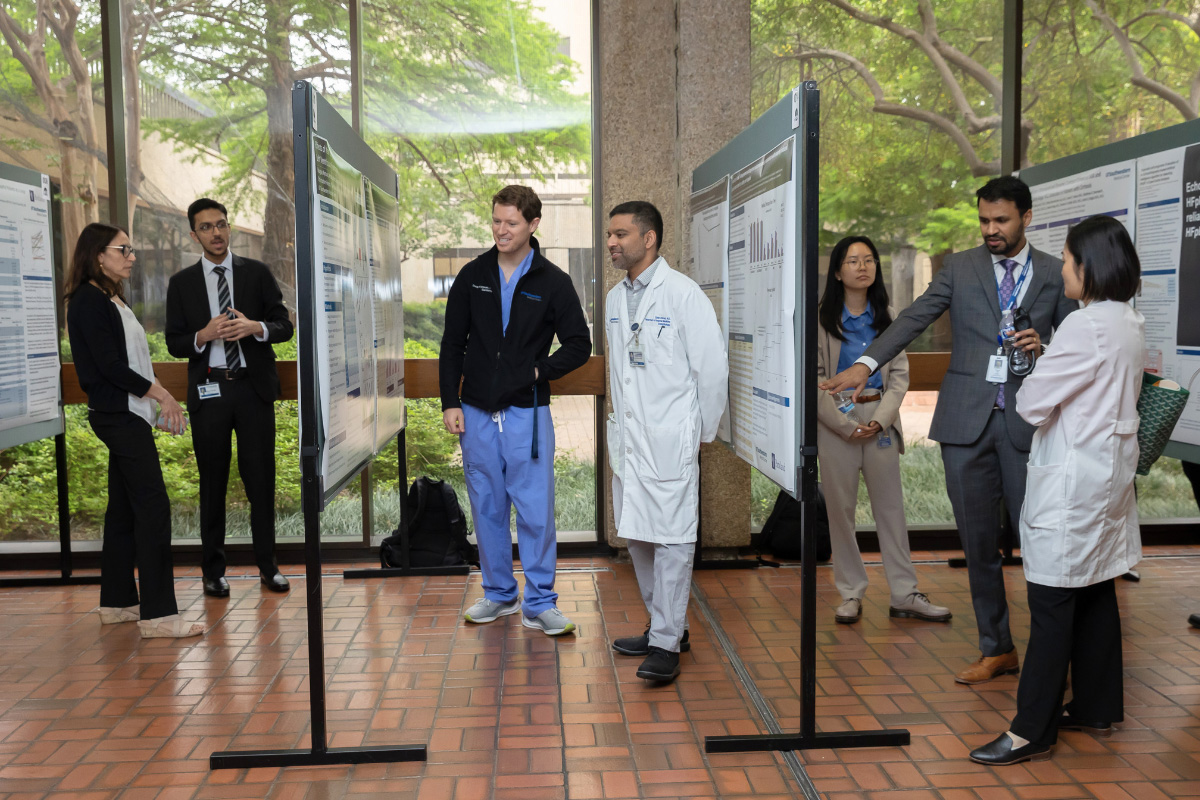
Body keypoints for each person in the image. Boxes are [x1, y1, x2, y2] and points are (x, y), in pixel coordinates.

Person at [822, 176, 1077, 685]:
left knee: (1045, 542)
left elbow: (1075, 342)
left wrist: (1045, 351)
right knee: (978, 543)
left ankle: (1056, 655)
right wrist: (867, 364)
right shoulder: (961, 267)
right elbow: (914, 317)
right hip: (966, 424)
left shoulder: (1055, 272)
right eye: (983, 220)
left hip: (1030, 424)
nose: (991, 230)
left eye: (1001, 220)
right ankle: (996, 648)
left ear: (1026, 217)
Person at [970, 214, 1143, 765]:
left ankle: (1030, 731)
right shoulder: (1127, 320)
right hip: (1107, 478)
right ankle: (1095, 705)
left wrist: (1043, 365)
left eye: (1067, 260)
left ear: (1088, 267)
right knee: (1095, 591)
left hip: (1073, 481)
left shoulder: (1083, 325)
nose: (1063, 268)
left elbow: (1031, 404)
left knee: (1049, 602)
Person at [440, 185, 591, 636]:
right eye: (496, 220)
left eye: (511, 223)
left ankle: (540, 602)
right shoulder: (473, 275)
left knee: (535, 510)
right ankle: (500, 594)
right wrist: (450, 400)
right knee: (486, 505)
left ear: (533, 225)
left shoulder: (552, 281)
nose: (501, 230)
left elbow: (579, 345)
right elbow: (452, 344)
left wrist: (537, 372)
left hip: (527, 413)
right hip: (477, 413)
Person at [604, 201, 728, 683]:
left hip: (672, 436)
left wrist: (701, 432)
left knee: (674, 538)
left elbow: (711, 371)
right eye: (609, 236)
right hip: (631, 441)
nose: (612, 243)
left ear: (649, 238)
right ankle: (665, 626)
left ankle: (667, 643)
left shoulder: (683, 294)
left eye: (620, 235)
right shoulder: (617, 299)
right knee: (637, 532)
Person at [65, 223, 205, 639]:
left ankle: (118, 601)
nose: (132, 256)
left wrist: (155, 398)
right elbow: (110, 368)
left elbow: (134, 360)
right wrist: (161, 395)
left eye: (131, 249)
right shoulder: (88, 301)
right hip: (117, 415)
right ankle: (160, 615)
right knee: (153, 509)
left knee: (125, 510)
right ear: (97, 254)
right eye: (123, 249)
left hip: (128, 413)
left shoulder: (109, 298)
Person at [817, 236, 951, 625]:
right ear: (838, 271)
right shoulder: (821, 316)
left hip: (880, 419)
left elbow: (899, 379)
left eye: (869, 259)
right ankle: (850, 593)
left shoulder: (888, 316)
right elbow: (816, 380)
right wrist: (843, 425)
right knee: (840, 513)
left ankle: (904, 593)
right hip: (836, 421)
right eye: (853, 260)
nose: (863, 266)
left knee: (891, 509)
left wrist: (881, 419)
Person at [165, 198, 294, 598]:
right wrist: (203, 335)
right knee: (213, 483)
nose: (216, 233)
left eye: (221, 225)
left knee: (261, 482)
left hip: (252, 390)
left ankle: (268, 567)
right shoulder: (181, 283)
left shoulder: (255, 273)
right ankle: (212, 571)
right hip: (211, 391)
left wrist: (257, 327)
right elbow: (174, 342)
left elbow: (284, 326)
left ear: (229, 227)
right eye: (206, 227)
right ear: (194, 235)